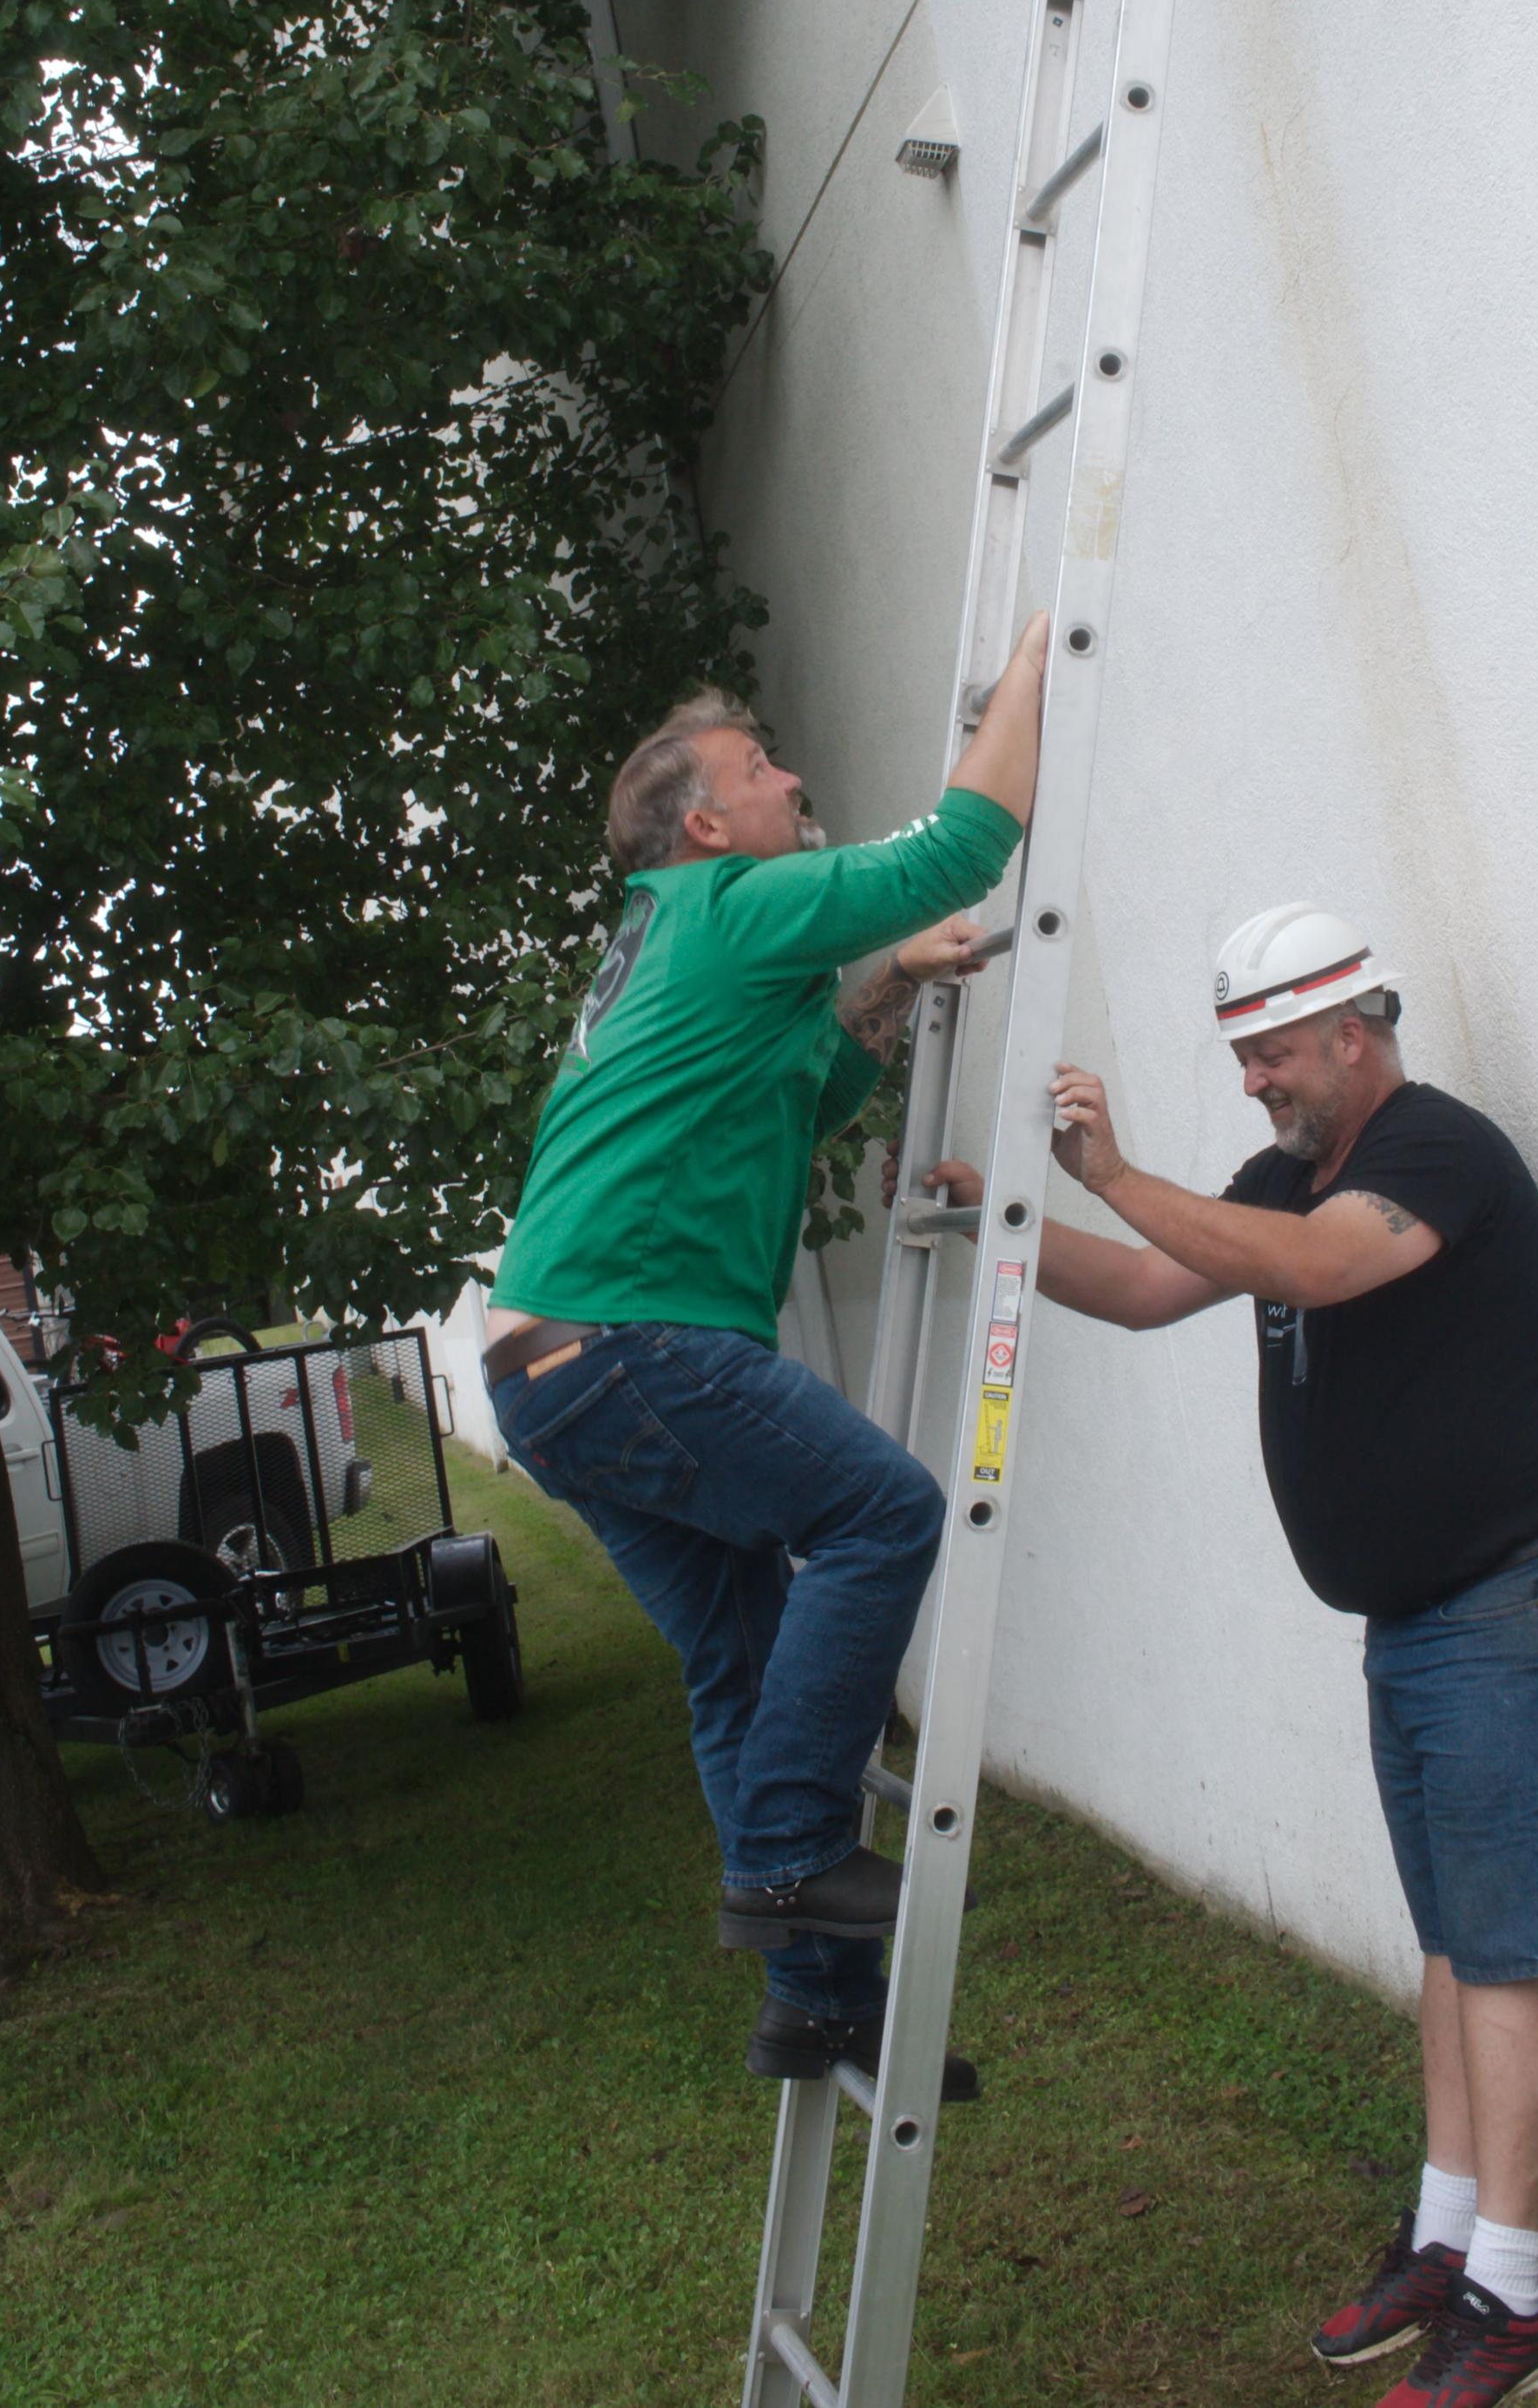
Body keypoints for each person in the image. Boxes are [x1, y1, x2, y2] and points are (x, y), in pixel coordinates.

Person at [927, 903, 1538, 2405]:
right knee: (1457, 1945)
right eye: (1241, 1059)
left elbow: (1314, 1270)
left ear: (1353, 1032)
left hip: (1522, 1595)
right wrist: (1002, 1218)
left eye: (1271, 1055)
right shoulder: (1280, 1180)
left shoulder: (1436, 1152)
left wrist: (1115, 1172)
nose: (1254, 1083)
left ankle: (1517, 2299)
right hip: (1426, 1617)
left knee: (1506, 1958)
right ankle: (1447, 2239)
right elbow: (1149, 1290)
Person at [483, 615, 1047, 2094]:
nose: (793, 779)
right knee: (884, 1512)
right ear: (705, 823)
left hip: (552, 1372)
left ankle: (814, 2002)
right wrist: (1036, 667)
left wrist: (896, 977)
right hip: (630, 1340)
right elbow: (955, 849)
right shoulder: (726, 903)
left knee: (739, 1659)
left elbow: (817, 1092)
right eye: (761, 768)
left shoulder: (688, 951)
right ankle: (790, 1853)